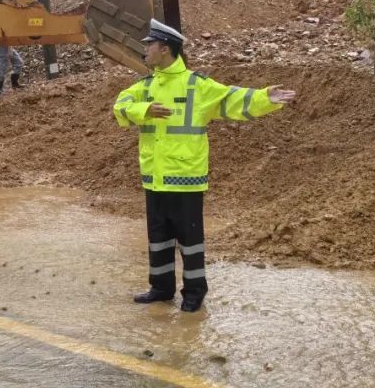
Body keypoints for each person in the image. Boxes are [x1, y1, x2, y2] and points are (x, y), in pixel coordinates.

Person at [112, 19, 296, 312]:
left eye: (149, 45)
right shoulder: (145, 87)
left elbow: (233, 99)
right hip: (154, 179)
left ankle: (194, 293)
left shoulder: (197, 86)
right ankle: (160, 288)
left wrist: (265, 98)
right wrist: (143, 110)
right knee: (158, 238)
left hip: (185, 179)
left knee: (190, 241)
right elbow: (119, 108)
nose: (144, 50)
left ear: (165, 49)